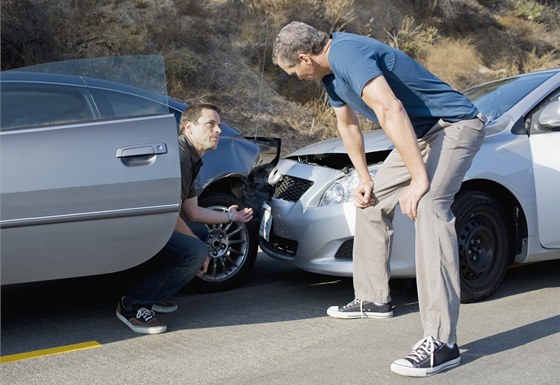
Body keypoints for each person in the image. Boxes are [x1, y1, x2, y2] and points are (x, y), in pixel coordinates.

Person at [272, 21, 485, 377]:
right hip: (420, 136)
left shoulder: (346, 53)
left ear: (305, 58)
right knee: (369, 203)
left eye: (292, 70)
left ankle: (442, 342)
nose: (296, 77)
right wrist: (365, 178)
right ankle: (373, 298)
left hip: (454, 125)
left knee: (431, 207)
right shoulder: (331, 77)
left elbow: (391, 110)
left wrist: (419, 179)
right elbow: (348, 125)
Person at [116, 103, 254, 334]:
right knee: (195, 250)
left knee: (199, 233)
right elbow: (169, 213)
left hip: (153, 221)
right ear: (189, 127)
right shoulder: (179, 156)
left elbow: (193, 212)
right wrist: (199, 248)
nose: (219, 130)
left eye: (219, 125)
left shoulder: (192, 158)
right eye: (211, 124)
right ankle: (133, 305)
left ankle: (155, 291)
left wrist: (231, 216)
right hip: (135, 223)